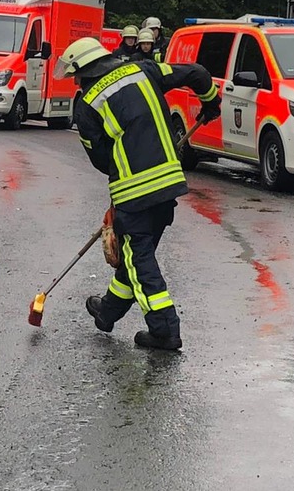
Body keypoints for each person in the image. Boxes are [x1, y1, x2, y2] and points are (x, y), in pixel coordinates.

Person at [56, 36, 221, 351]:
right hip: (168, 182)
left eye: (76, 76)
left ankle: (164, 331)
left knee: (139, 258)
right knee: (134, 255)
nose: (76, 82)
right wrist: (210, 102)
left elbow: (101, 159)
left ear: (86, 70)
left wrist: (122, 176)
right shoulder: (144, 70)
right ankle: (108, 311)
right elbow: (198, 73)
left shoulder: (88, 105)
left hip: (134, 190)